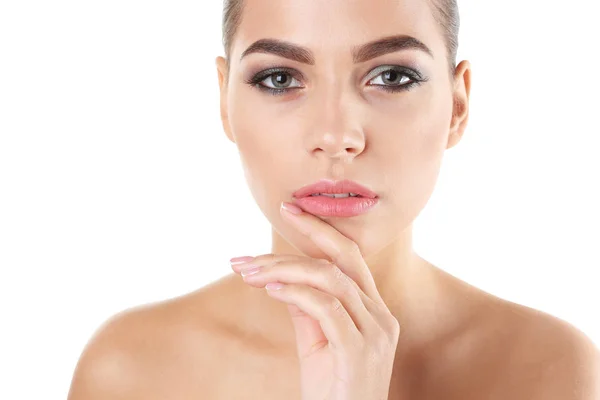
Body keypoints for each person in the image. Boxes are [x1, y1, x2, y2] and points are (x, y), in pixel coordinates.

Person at [67, 0, 600, 398]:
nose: (336, 134)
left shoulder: (552, 371)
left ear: (458, 106)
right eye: (279, 78)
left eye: (392, 76)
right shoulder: (130, 372)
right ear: (224, 101)